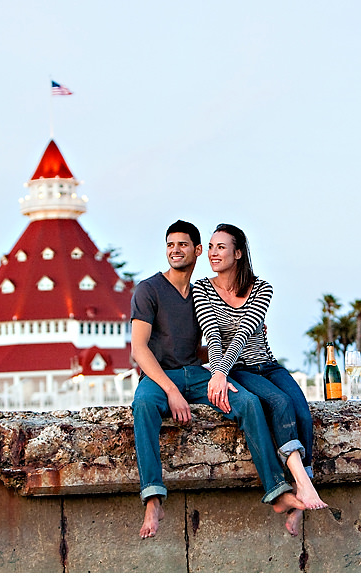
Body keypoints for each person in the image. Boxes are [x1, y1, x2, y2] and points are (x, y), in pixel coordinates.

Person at [130, 220, 305, 539]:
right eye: (170, 244)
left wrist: (226, 364)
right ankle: (153, 498)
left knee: (248, 402)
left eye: (182, 244)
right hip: (159, 377)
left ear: (196, 250)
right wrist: (170, 390)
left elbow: (212, 337)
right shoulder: (149, 289)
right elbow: (139, 349)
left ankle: (277, 490)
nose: (175, 250)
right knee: (142, 406)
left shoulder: (200, 293)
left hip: (197, 373)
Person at [192, 223, 327, 537]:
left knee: (303, 414)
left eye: (221, 247)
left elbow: (244, 333)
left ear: (238, 253)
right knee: (278, 403)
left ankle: (298, 501)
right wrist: (220, 372)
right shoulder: (202, 288)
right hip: (238, 370)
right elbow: (213, 335)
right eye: (211, 247)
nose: (213, 253)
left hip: (267, 364)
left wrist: (218, 372)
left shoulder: (262, 287)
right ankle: (305, 488)